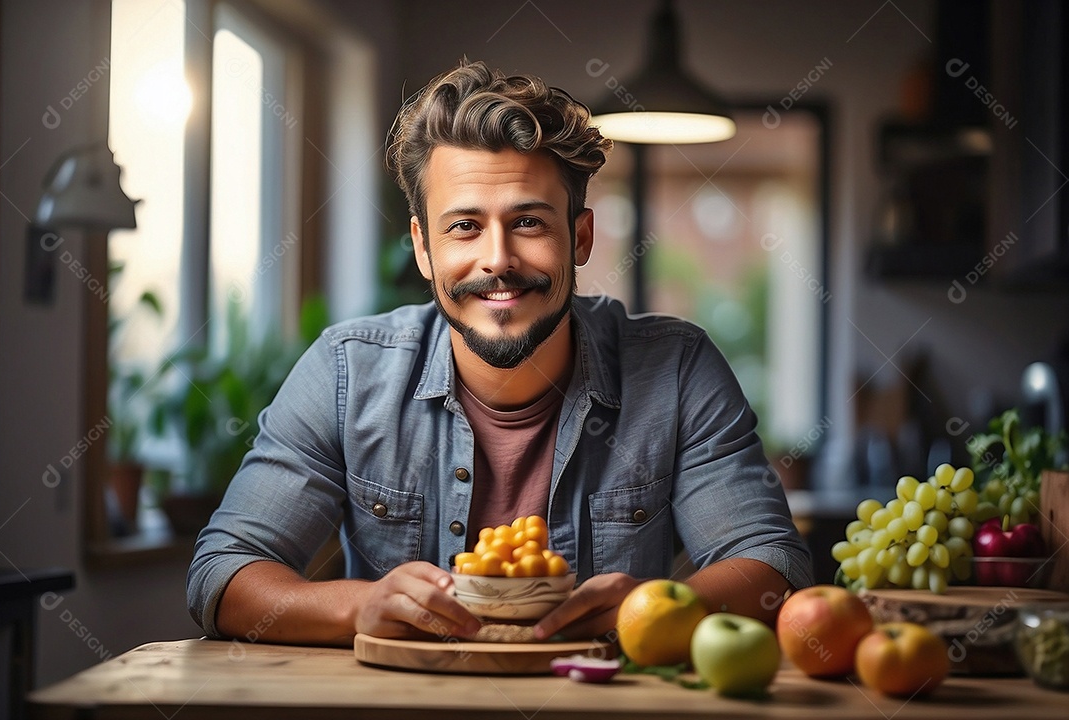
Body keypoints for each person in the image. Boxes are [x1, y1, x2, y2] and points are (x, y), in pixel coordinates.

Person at [187, 59, 813, 646]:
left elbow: (773, 567)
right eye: (463, 226)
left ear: (581, 236)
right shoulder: (346, 372)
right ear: (423, 249)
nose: (498, 261)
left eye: (530, 223)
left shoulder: (676, 369)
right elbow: (223, 574)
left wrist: (647, 612)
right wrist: (359, 606)